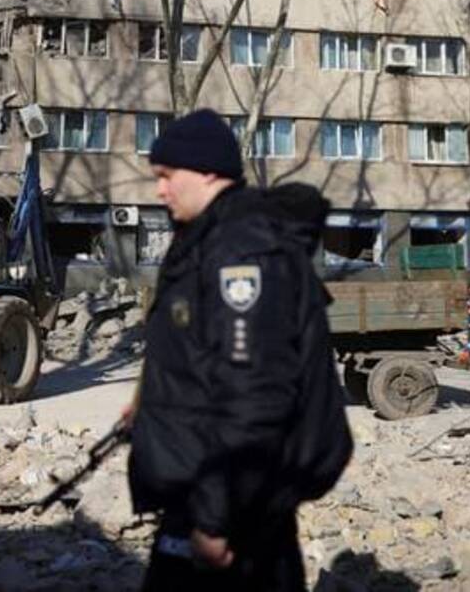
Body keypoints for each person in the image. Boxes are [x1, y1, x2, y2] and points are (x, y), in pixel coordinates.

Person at [124, 108, 333, 591]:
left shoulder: (240, 252)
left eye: (166, 176)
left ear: (207, 172)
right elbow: (202, 361)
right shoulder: (211, 239)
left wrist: (215, 520)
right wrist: (148, 406)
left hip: (228, 503)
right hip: (218, 491)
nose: (159, 190)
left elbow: (255, 397)